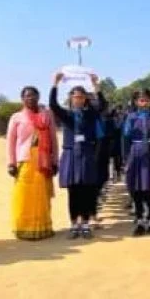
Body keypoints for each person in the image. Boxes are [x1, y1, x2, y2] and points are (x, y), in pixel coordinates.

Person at [49, 74, 105, 239]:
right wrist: (55, 84)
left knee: (87, 191)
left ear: (85, 99)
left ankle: (85, 224)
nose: (78, 100)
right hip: (71, 154)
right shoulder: (66, 115)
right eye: (75, 97)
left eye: (81, 97)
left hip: (87, 154)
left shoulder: (90, 114)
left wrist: (96, 85)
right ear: (71, 99)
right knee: (73, 192)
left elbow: (102, 105)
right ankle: (74, 224)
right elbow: (53, 104)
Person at [7, 86, 60, 241]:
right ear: (22, 99)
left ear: (38, 97)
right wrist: (11, 163)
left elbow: (53, 139)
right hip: (25, 160)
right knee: (23, 196)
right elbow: (10, 142)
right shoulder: (16, 117)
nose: (30, 98)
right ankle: (23, 228)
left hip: (44, 161)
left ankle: (43, 228)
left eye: (33, 95)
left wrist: (54, 161)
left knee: (41, 196)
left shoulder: (47, 116)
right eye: (27, 96)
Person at [123, 89, 150, 236]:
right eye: (141, 100)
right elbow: (126, 139)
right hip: (135, 153)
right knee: (136, 188)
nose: (145, 102)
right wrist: (126, 159)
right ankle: (140, 219)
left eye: (147, 100)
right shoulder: (131, 118)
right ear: (136, 102)